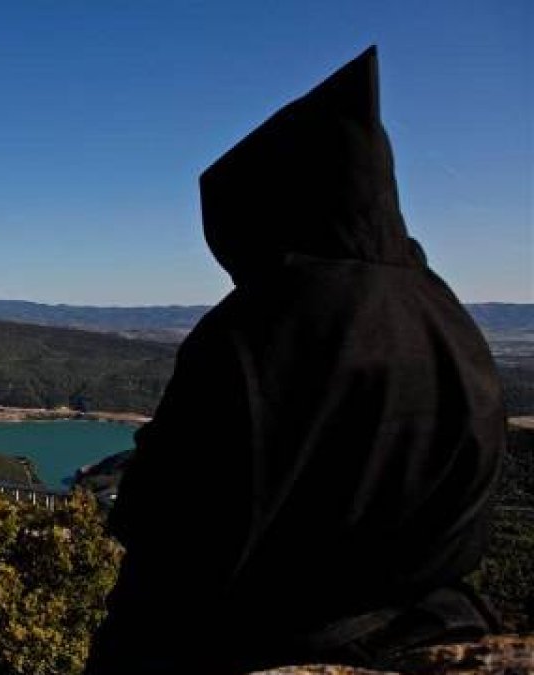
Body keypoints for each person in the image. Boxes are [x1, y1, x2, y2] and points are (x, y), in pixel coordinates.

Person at [85, 46, 505, 674]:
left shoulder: (265, 323)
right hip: (434, 618)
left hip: (262, 635)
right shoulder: (446, 315)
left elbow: (166, 517)